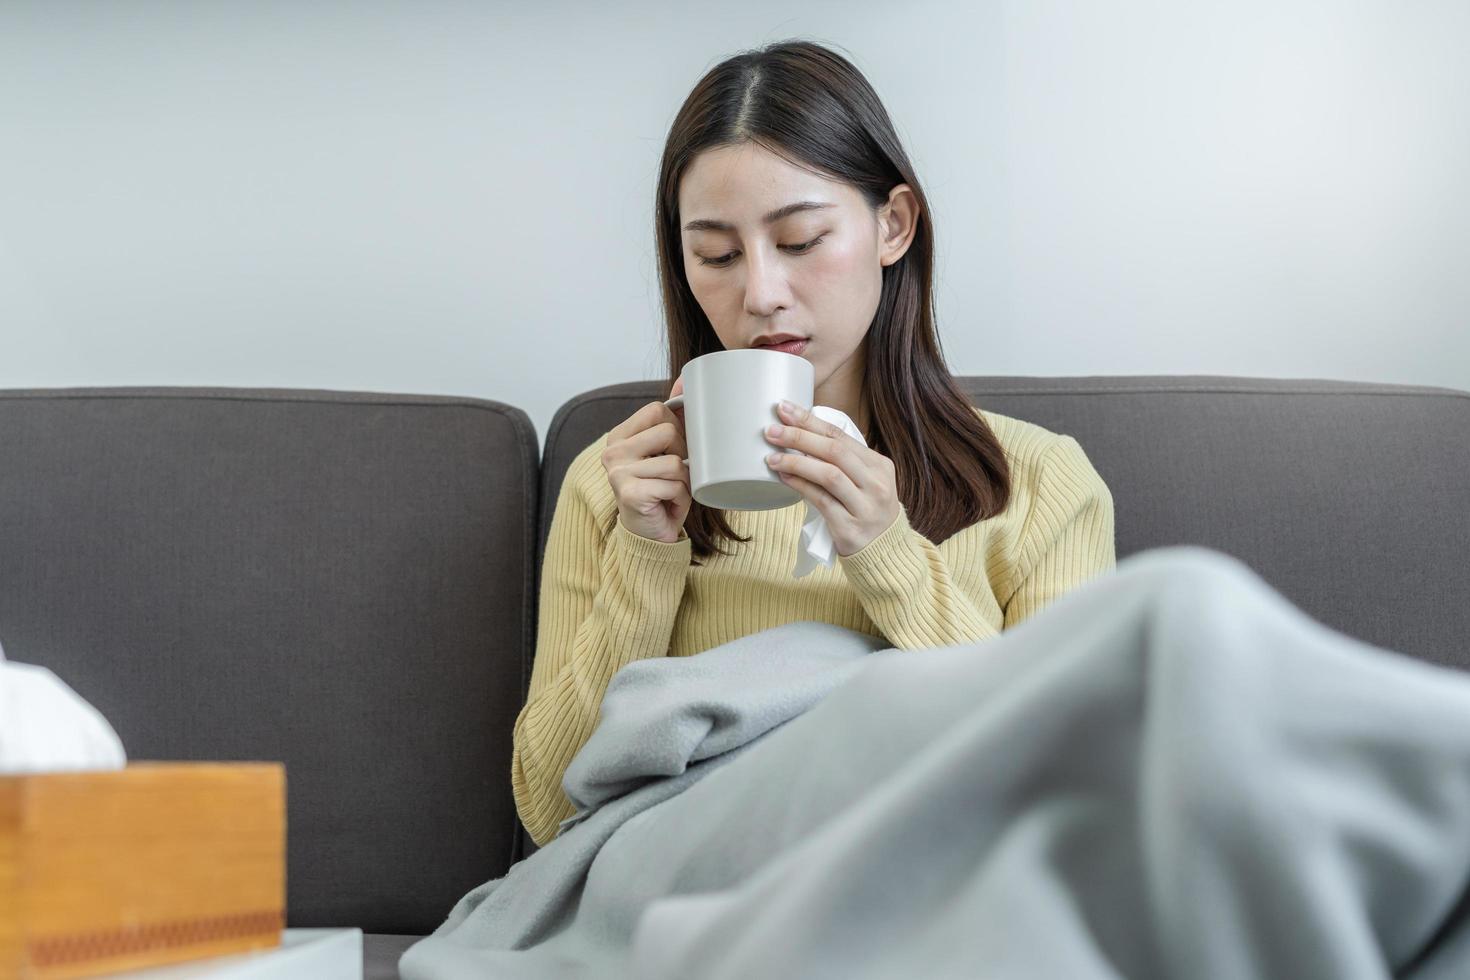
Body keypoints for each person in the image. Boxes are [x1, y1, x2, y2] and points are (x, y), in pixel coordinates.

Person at [511, 40, 1116, 848]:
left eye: (798, 241)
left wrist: (886, 552)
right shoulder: (621, 484)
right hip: (687, 897)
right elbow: (550, 813)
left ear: (893, 226)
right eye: (716, 255)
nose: (759, 292)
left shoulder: (1041, 483)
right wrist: (646, 558)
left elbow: (1064, 792)